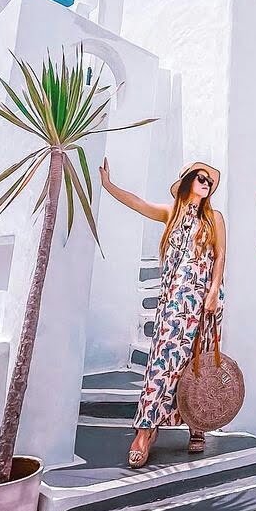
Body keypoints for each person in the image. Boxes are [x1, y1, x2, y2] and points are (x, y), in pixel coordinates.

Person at [100, 157, 227, 469]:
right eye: (200, 178)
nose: (206, 184)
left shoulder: (215, 218)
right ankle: (145, 432)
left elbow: (221, 255)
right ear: (187, 183)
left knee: (199, 362)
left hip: (203, 302)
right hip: (173, 303)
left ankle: (197, 425)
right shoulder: (171, 213)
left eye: (208, 181)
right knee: (161, 364)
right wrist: (108, 185)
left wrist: (212, 291)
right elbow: (138, 203)